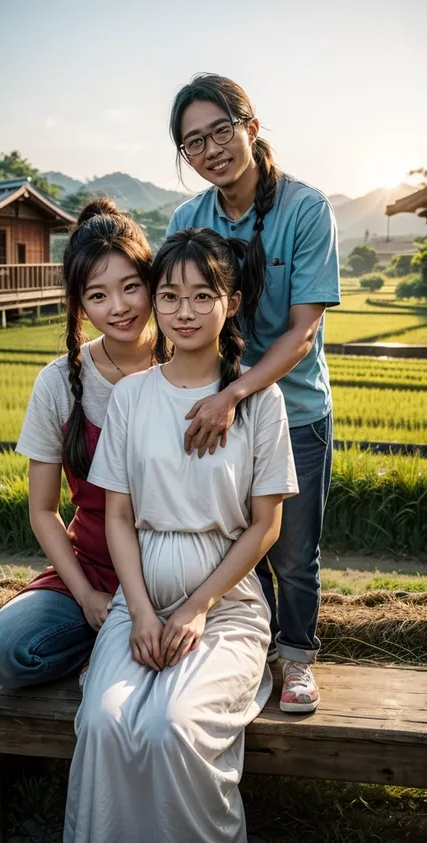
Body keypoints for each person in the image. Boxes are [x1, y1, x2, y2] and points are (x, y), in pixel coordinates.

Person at [64, 228, 298, 843]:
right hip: (137, 596)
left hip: (224, 604)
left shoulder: (259, 399)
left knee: (174, 726)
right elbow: (118, 515)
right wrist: (138, 612)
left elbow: (265, 524)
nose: (184, 312)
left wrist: (196, 607)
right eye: (169, 296)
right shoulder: (133, 395)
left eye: (202, 296)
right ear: (155, 305)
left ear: (232, 302)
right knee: (107, 722)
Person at [166, 73, 341, 712]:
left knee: (294, 552)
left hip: (291, 411)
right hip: (221, 410)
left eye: (220, 131)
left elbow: (302, 332)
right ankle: (254, 644)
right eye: (193, 143)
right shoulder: (190, 219)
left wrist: (233, 394)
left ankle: (297, 658)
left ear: (251, 126)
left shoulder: (305, 207)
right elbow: (177, 313)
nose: (212, 150)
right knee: (235, 541)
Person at [0, 198, 155, 688]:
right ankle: (104, 639)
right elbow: (43, 510)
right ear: (78, 304)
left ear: (153, 284)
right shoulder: (58, 383)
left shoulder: (189, 365)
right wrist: (89, 597)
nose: (118, 307)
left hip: (172, 573)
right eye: (97, 295)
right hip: (91, 571)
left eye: (131, 287)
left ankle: (114, 649)